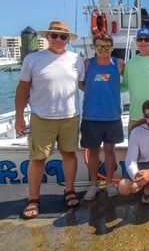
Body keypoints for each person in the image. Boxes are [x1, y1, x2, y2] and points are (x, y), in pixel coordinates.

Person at [15, 21, 85, 219]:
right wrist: (19, 117)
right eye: (54, 36)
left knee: (69, 155)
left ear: (68, 39)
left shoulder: (76, 59)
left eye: (63, 37)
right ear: (47, 37)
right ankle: (33, 199)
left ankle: (69, 190)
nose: (58, 40)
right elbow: (22, 89)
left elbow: (82, 84)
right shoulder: (33, 59)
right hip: (41, 117)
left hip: (70, 117)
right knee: (38, 159)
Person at [79, 33, 125, 201]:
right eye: (99, 47)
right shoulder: (87, 64)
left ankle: (110, 184)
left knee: (110, 151)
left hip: (112, 115)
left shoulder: (119, 64)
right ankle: (93, 185)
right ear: (95, 48)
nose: (103, 50)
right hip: (91, 115)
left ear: (112, 47)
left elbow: (128, 81)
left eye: (106, 47)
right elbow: (80, 84)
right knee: (93, 152)